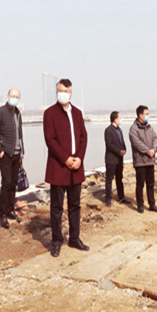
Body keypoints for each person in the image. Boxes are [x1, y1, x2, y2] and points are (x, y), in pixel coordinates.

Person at [43, 79, 89, 257]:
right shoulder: (50, 113)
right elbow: (50, 140)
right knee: (56, 208)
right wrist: (66, 159)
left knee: (75, 205)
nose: (63, 93)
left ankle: (75, 238)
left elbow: (83, 137)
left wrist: (79, 158)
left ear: (71, 93)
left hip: (76, 167)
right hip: (58, 167)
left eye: (66, 91)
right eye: (60, 90)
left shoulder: (77, 113)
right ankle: (56, 242)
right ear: (56, 92)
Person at [0, 89, 25, 229]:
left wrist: (21, 153)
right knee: (6, 182)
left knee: (13, 183)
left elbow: (20, 134)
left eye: (17, 96)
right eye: (13, 96)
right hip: (6, 154)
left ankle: (10, 210)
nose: (14, 98)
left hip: (16, 154)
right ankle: (2, 213)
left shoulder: (18, 113)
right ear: (8, 96)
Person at [129, 105, 157, 214]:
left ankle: (152, 204)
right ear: (140, 115)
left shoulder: (149, 127)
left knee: (151, 184)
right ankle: (140, 205)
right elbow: (136, 143)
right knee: (140, 185)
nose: (147, 116)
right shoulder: (133, 129)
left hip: (150, 160)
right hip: (140, 161)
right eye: (146, 114)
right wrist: (147, 151)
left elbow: (155, 138)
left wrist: (154, 150)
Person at [104, 111, 128, 207]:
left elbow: (122, 142)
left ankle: (121, 197)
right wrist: (119, 151)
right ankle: (108, 199)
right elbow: (109, 145)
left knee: (119, 178)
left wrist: (124, 149)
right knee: (109, 179)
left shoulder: (119, 130)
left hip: (119, 159)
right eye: (119, 118)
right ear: (115, 119)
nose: (120, 119)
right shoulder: (108, 130)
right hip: (111, 159)